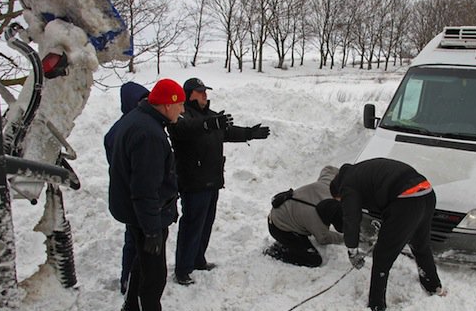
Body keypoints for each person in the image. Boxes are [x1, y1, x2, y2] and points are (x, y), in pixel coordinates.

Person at [168, 77, 271, 285]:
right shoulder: (181, 115)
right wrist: (209, 124)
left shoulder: (212, 117)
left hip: (212, 180)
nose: (205, 94)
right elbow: (185, 129)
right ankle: (183, 269)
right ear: (189, 94)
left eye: (206, 91)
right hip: (193, 182)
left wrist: (250, 133)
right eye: (200, 91)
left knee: (206, 224)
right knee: (191, 226)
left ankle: (198, 260)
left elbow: (228, 132)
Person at [329, 158, 446, 311]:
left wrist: (352, 249)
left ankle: (376, 305)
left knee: (382, 255)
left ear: (338, 192)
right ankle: (433, 286)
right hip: (426, 191)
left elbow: (351, 219)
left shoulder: (348, 186)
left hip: (406, 200)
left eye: (340, 200)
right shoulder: (359, 171)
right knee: (420, 244)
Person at [108, 78, 185, 311]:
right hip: (146, 217)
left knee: (141, 266)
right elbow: (145, 189)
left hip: (140, 214)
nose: (182, 111)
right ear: (167, 105)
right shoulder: (149, 134)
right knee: (154, 277)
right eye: (180, 104)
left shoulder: (139, 119)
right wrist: (152, 230)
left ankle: (130, 306)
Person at [103, 81, 149, 295]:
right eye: (141, 100)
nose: (146, 103)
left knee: (139, 240)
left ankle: (135, 278)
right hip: (131, 195)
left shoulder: (141, 124)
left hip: (137, 193)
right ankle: (128, 280)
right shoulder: (121, 130)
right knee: (134, 240)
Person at [265, 165, 343, 267]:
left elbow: (328, 169)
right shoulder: (317, 220)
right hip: (279, 228)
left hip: (286, 211)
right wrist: (344, 238)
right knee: (314, 260)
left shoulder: (330, 186)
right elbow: (323, 238)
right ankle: (276, 251)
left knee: (302, 224)